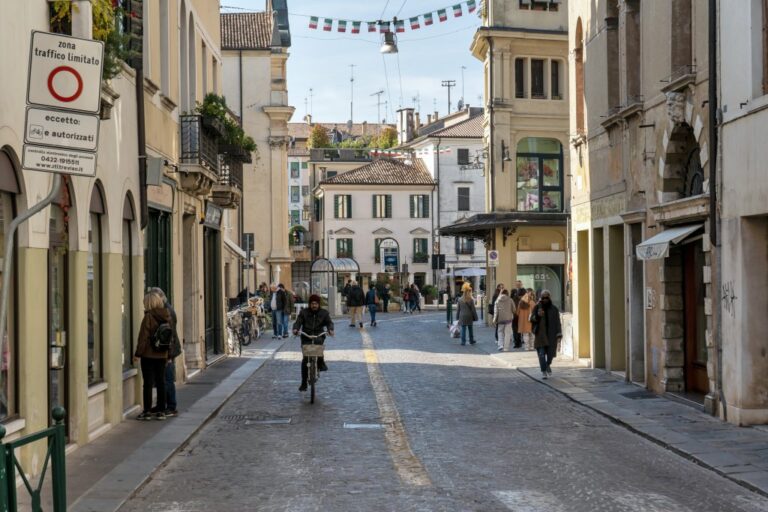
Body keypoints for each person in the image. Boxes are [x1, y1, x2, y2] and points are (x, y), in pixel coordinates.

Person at [134, 292, 171, 420]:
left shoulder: (148, 317)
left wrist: (137, 354)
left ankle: (147, 411)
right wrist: (169, 355)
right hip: (162, 354)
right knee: (161, 382)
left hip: (148, 355)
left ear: (149, 303)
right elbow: (170, 336)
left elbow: (143, 337)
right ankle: (161, 410)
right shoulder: (167, 315)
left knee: (148, 383)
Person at [150, 287, 181, 417]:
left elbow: (170, 335)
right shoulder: (164, 309)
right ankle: (162, 404)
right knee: (162, 379)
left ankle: (172, 406)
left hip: (168, 351)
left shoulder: (167, 311)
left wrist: (168, 354)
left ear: (160, 298)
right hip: (167, 350)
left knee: (167, 379)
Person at [292, 294, 335, 392]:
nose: (314, 305)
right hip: (306, 336)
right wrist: (295, 329)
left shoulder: (324, 313)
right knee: (305, 359)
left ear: (319, 304)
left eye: (316, 303)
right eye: (312, 303)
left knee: (319, 350)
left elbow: (329, 322)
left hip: (318, 336)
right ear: (309, 304)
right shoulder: (304, 312)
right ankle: (303, 383)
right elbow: (298, 322)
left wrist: (330, 329)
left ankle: (321, 363)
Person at [531, 290, 562, 379]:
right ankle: (543, 371)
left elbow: (557, 322)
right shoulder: (537, 307)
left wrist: (559, 333)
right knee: (541, 354)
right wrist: (537, 315)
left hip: (551, 335)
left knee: (550, 355)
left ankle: (548, 364)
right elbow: (531, 319)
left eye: (546, 297)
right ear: (541, 297)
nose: (545, 299)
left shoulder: (554, 309)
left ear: (549, 297)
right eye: (543, 297)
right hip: (540, 335)